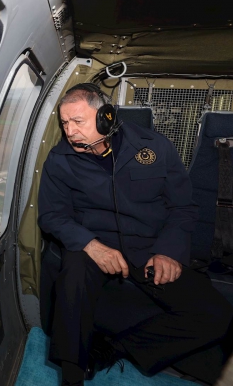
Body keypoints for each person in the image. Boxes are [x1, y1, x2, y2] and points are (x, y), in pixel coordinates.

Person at [38, 83, 233, 386]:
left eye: (78, 121)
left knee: (218, 315)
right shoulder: (59, 160)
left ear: (105, 117)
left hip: (151, 247)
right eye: (64, 123)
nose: (70, 131)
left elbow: (183, 207)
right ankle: (72, 376)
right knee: (73, 272)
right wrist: (91, 245)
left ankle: (116, 349)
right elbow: (51, 215)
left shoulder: (155, 147)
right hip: (95, 246)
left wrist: (169, 252)